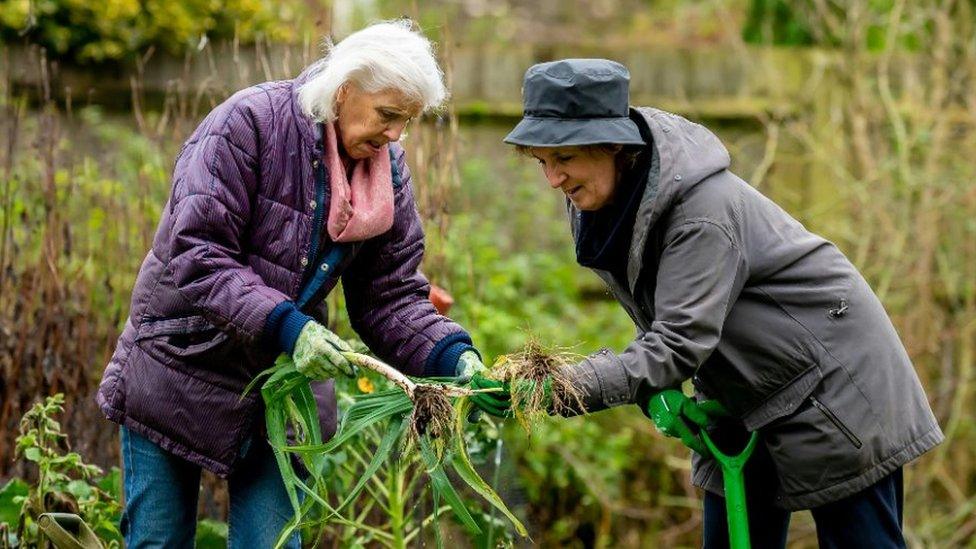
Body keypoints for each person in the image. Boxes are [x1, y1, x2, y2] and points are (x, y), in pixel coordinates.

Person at [469, 58, 942, 547]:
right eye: (542, 162)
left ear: (611, 144)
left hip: (835, 387)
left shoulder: (702, 214)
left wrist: (563, 386)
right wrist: (653, 389)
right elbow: (663, 319)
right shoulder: (604, 204)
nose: (552, 180)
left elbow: (676, 342)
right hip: (742, 395)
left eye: (563, 159)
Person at [96, 20, 485, 548]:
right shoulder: (249, 123)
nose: (395, 135)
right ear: (345, 89)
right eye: (388, 115)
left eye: (406, 122)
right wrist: (289, 326)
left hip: (277, 390)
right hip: (179, 362)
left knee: (273, 542)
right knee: (159, 541)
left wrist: (452, 355)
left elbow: (390, 295)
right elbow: (196, 253)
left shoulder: (385, 169)